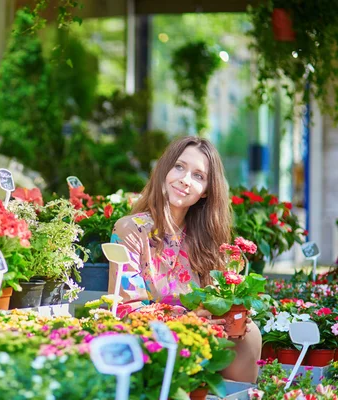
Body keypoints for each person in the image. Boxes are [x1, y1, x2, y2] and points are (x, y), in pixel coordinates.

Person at [108, 136, 262, 383]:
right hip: (152, 336)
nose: (185, 180)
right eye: (179, 167)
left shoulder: (206, 239)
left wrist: (231, 310)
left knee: (249, 333)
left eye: (198, 176)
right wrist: (187, 320)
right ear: (164, 170)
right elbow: (126, 309)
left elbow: (217, 301)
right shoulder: (131, 229)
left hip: (202, 334)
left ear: (206, 192)